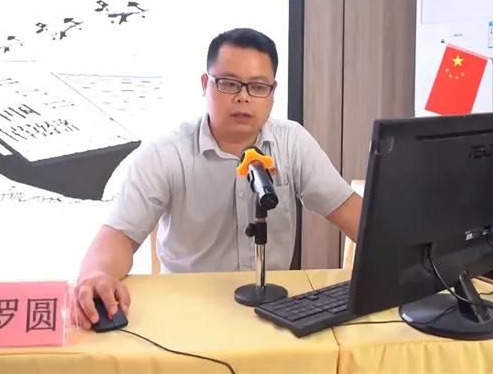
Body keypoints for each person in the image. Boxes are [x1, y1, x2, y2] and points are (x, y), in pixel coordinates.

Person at [72, 27, 363, 329]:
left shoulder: (292, 143)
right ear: (205, 84)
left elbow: (350, 212)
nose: (243, 97)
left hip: (273, 314)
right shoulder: (165, 154)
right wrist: (97, 275)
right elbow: (119, 236)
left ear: (272, 92)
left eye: (258, 87)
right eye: (229, 84)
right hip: (187, 315)